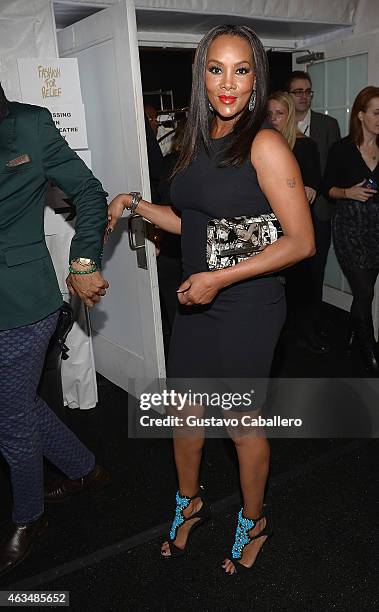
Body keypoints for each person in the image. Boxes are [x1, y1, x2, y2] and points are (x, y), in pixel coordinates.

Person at [108, 25, 314, 574]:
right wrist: (137, 205)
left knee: (241, 423)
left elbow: (302, 241)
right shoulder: (194, 141)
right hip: (197, 301)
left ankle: (255, 522)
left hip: (247, 306)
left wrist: (219, 280)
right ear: (201, 74)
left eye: (241, 69)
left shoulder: (264, 144)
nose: (228, 83)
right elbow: (193, 222)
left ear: (255, 79)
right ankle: (189, 502)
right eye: (216, 68)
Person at [0, 84, 110, 578]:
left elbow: (88, 191)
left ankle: (30, 517)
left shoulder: (29, 123)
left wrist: (83, 260)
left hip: (23, 300)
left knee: (9, 416)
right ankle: (85, 467)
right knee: (16, 402)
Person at [323, 86, 379, 373]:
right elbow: (326, 189)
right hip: (350, 228)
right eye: (377, 113)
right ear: (360, 115)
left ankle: (354, 334)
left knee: (363, 293)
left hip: (377, 229)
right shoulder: (343, 149)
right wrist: (348, 193)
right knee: (365, 291)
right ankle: (370, 351)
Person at [285, 70, 341, 353]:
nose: (304, 96)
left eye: (308, 91)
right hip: (285, 215)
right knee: (291, 273)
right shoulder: (278, 124)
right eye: (298, 91)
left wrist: (321, 191)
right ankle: (291, 326)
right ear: (289, 94)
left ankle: (313, 324)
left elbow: (333, 169)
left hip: (319, 211)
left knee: (316, 272)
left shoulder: (328, 125)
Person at [267, 91, 322, 348]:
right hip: (267, 225)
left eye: (280, 113)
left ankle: (306, 331)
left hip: (295, 226)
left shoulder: (305, 146)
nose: (274, 119)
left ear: (290, 116)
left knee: (301, 283)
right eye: (270, 114)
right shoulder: (260, 145)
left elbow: (311, 189)